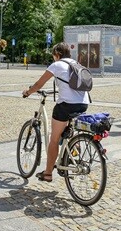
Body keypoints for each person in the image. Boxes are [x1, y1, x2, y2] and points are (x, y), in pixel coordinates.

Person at [22, 42, 89, 182]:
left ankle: (47, 173)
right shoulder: (75, 64)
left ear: (57, 54)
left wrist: (28, 92)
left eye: (53, 55)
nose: (53, 58)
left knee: (53, 139)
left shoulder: (57, 64)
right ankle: (72, 147)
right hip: (83, 104)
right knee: (67, 131)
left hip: (66, 106)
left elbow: (39, 84)